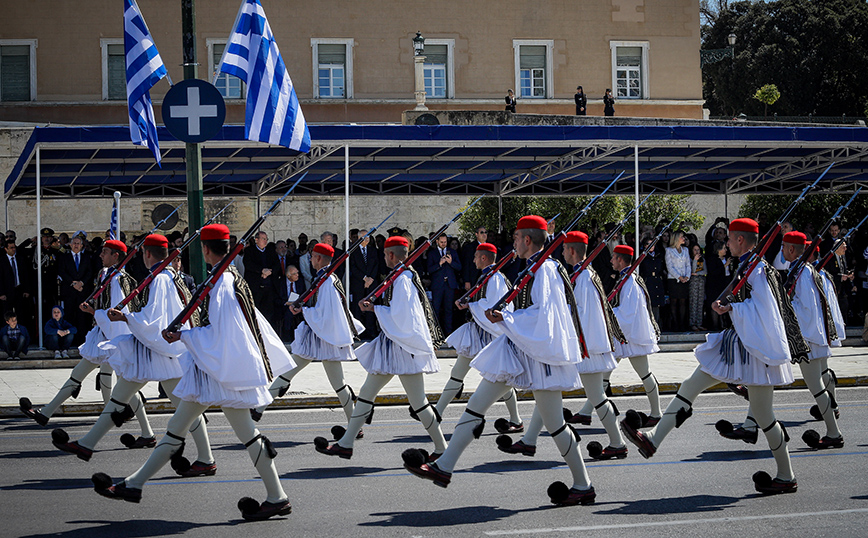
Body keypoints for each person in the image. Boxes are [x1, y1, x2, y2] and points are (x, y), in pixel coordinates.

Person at [92, 224, 295, 520]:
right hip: (216, 370)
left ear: (206, 249)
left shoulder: (224, 282)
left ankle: (277, 496)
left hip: (218, 371)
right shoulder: (229, 277)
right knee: (194, 430)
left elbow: (222, 333)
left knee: (221, 434)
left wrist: (185, 336)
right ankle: (134, 484)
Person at [404, 216, 597, 507]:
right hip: (517, 349)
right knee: (477, 404)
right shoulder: (535, 268)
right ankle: (444, 466)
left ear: (528, 240)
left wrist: (506, 317)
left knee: (556, 425)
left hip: (537, 356)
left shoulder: (544, 269)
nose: (514, 243)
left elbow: (544, 315)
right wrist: (504, 312)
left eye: (517, 238)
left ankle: (583, 485)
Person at [621, 218, 803, 495]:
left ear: (740, 240)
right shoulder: (749, 265)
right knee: (690, 386)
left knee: (765, 417)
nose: (726, 243)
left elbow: (766, 312)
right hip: (736, 344)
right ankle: (654, 439)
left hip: (754, 349)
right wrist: (729, 305)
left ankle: (786, 475)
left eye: (729, 238)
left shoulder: (760, 270)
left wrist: (731, 308)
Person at [51, 234, 214, 469]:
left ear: (147, 254)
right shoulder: (172, 276)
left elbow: (153, 318)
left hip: (160, 350)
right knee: (124, 396)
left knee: (183, 407)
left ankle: (207, 459)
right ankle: (87, 443)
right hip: (161, 349)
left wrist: (125, 317)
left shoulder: (159, 279)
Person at [314, 236, 447, 460]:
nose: (384, 257)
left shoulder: (404, 279)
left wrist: (375, 309)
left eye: (386, 254)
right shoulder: (403, 276)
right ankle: (346, 443)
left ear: (392, 255)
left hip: (403, 348)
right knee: (367, 393)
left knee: (419, 402)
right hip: (393, 346)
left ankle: (443, 448)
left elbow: (403, 316)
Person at [718, 232, 843, 450]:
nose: (782, 251)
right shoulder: (803, 271)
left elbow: (806, 309)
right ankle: (750, 424)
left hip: (807, 339)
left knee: (817, 388)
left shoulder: (802, 274)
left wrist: (781, 313)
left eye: (784, 247)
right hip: (808, 337)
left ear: (792, 250)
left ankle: (834, 433)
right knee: (765, 380)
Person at [252, 242, 364, 427]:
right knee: (291, 371)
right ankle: (258, 409)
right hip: (317, 335)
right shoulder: (324, 278)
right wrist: (303, 307)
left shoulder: (328, 281)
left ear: (319, 258)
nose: (310, 259)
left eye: (312, 256)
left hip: (324, 338)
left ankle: (355, 425)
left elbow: (326, 313)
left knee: (337, 384)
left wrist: (304, 311)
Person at [554, 232, 629, 460]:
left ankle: (618, 442)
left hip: (583, 347)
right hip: (584, 346)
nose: (563, 252)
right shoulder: (584, 275)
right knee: (557, 390)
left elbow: (582, 315)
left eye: (565, 249)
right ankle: (617, 442)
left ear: (573, 251)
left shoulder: (585, 278)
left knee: (557, 390)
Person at [435, 242, 523, 432]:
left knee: (501, 378)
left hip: (491, 334)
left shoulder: (496, 278)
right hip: (477, 332)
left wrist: (470, 305)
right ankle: (437, 412)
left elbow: (495, 307)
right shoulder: (487, 276)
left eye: (475, 257)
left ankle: (516, 419)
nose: (473, 260)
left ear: (483, 258)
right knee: (458, 373)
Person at [576, 245, 661, 426]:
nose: (611, 261)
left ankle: (657, 413)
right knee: (604, 375)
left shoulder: (630, 281)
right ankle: (585, 412)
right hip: (622, 335)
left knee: (644, 374)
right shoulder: (626, 279)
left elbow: (628, 313)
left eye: (614, 258)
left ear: (621, 260)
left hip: (631, 337)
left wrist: (606, 314)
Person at [58, 235, 97, 344]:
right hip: (69, 291)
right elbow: (62, 272)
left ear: (82, 246)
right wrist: (74, 283)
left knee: (82, 316)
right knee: (70, 315)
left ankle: (82, 340)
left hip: (83, 292)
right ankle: (70, 340)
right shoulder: (64, 257)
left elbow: (90, 272)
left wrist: (81, 283)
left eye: (78, 244)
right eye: (74, 243)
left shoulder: (86, 257)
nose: (76, 245)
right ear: (70, 245)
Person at [427, 233, 462, 336]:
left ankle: (449, 332)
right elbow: (429, 269)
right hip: (437, 285)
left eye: (445, 242)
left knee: (448, 309)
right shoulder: (432, 253)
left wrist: (451, 262)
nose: (443, 244)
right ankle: (435, 333)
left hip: (449, 285)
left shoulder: (452, 252)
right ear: (437, 241)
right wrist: (439, 264)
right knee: (436, 309)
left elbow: (459, 267)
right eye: (441, 242)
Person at [349, 230, 380, 339]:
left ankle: (371, 330)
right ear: (358, 239)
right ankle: (358, 332)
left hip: (371, 283)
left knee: (370, 307)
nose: (366, 240)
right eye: (364, 237)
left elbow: (376, 265)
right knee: (358, 308)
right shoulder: (353, 251)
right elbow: (353, 267)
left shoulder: (373, 251)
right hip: (359, 283)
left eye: (368, 237)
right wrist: (364, 278)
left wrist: (370, 279)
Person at [244, 231, 279, 329]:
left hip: (269, 286)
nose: (265, 241)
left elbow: (276, 264)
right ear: (256, 240)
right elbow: (248, 264)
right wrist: (261, 271)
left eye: (266, 239)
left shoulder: (270, 251)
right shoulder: (249, 251)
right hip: (256, 287)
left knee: (269, 311)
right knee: (256, 310)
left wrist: (269, 272)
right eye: (263, 239)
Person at [1, 238, 34, 331]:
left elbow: (25, 276)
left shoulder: (20, 259)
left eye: (14, 247)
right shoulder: (2, 261)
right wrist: (1, 293)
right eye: (11, 248)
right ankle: (6, 335)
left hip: (19, 290)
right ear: (6, 249)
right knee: (7, 314)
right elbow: (0, 278)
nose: (13, 249)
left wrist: (26, 290)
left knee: (21, 313)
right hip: (7, 292)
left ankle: (21, 333)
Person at [665, 231, 691, 332]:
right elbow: (669, 266)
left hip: (684, 279)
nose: (684, 238)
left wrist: (687, 277)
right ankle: (675, 324)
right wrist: (679, 277)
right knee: (674, 301)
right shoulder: (669, 250)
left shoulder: (685, 250)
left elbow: (688, 264)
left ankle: (682, 323)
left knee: (683, 302)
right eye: (682, 237)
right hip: (674, 279)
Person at [638, 236, 666, 327]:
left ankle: (656, 324)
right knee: (649, 303)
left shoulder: (658, 255)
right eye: (648, 244)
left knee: (657, 304)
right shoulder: (643, 256)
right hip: (648, 280)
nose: (651, 246)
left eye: (652, 244)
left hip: (657, 280)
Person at [705, 241, 729, 330]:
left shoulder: (724, 258)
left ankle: (723, 324)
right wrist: (724, 266)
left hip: (722, 285)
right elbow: (714, 272)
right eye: (724, 248)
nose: (725, 250)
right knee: (714, 304)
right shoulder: (713, 259)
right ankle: (715, 325)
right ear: (718, 250)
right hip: (714, 286)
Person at [689, 244, 708, 331]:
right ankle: (692, 323)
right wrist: (695, 261)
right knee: (693, 302)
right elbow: (692, 271)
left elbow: (705, 271)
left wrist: (698, 273)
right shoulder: (690, 259)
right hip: (693, 283)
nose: (697, 252)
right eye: (695, 250)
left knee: (700, 303)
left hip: (701, 282)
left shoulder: (702, 259)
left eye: (698, 250)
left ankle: (699, 323)